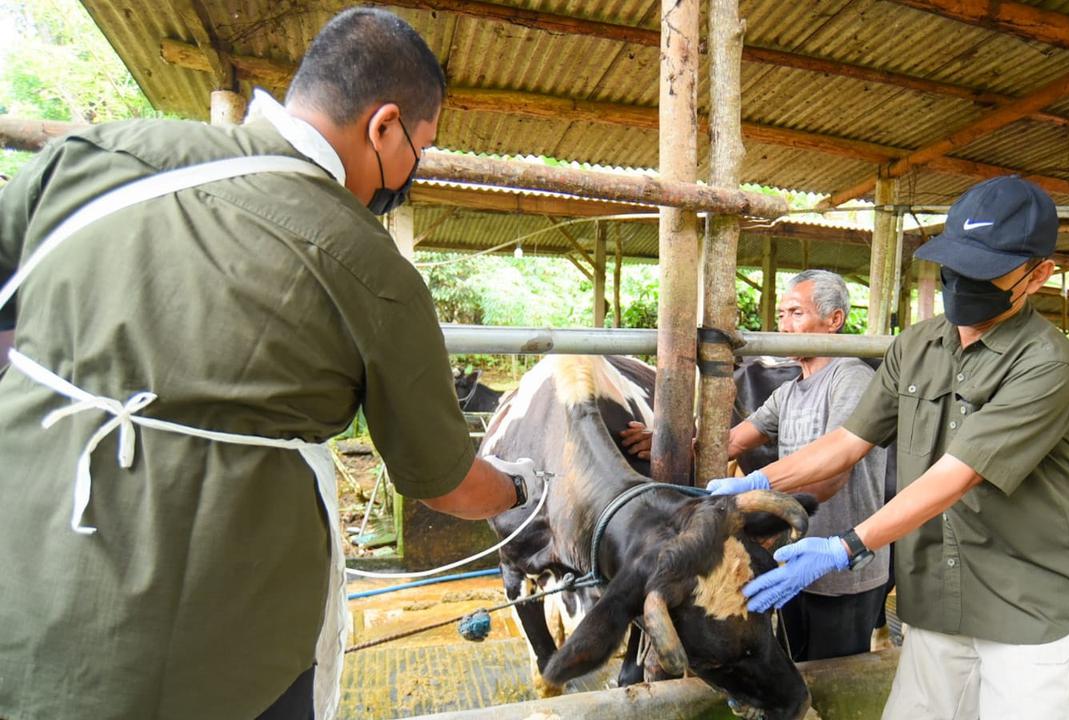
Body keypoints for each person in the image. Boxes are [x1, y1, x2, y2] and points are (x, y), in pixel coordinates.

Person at [0, 9, 535, 719]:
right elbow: (446, 484)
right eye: (422, 147)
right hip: (226, 650)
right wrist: (526, 486)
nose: (415, 169)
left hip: (21, 583)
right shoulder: (370, 267)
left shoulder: (95, 156)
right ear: (384, 127)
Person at [712, 176, 1069, 720]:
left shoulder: (1047, 365)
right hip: (938, 603)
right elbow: (848, 441)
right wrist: (755, 484)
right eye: (956, 263)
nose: (964, 282)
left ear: (1038, 275)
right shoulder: (917, 344)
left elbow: (957, 475)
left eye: (986, 270)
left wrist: (846, 546)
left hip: (1028, 613)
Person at [621, 269, 892, 660]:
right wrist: (668, 444)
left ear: (834, 320)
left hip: (841, 569)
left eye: (796, 313)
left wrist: (753, 508)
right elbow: (731, 442)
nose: (784, 326)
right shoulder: (789, 392)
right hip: (795, 560)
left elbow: (832, 477)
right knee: (798, 665)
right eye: (781, 315)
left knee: (836, 674)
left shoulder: (850, 378)